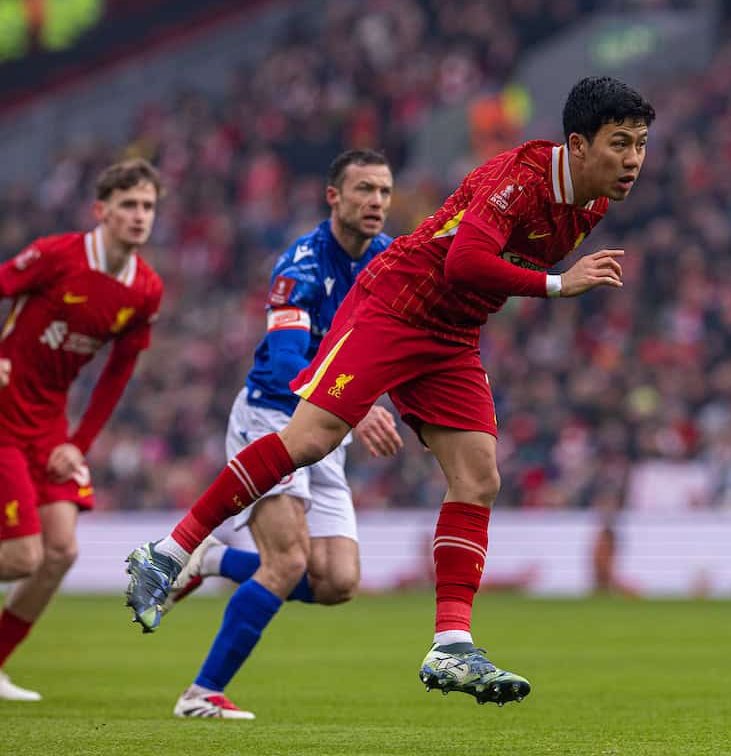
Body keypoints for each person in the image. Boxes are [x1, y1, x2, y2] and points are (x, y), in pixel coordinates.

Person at [125, 75, 654, 706]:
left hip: (454, 333)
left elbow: (480, 280)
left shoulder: (592, 201)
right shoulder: (522, 178)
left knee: (479, 476)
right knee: (311, 439)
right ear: (577, 143)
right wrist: (557, 285)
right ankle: (168, 551)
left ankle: (451, 644)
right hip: (397, 305)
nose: (632, 160)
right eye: (619, 143)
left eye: (640, 145)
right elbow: (462, 262)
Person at [168, 149, 403, 720]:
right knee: (288, 561)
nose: (376, 202)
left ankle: (213, 561)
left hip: (326, 430)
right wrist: (354, 402)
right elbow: (282, 364)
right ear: (334, 197)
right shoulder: (298, 267)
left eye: (384, 192)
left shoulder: (390, 260)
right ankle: (201, 694)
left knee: (339, 581)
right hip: (272, 421)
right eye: (364, 190)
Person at [0, 159, 164, 701]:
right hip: (2, 415)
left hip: (48, 428)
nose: (140, 216)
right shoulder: (56, 255)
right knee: (22, 556)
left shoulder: (144, 289)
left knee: (61, 552)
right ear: (102, 211)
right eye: (129, 206)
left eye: (147, 206)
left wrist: (78, 443)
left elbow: (118, 374)